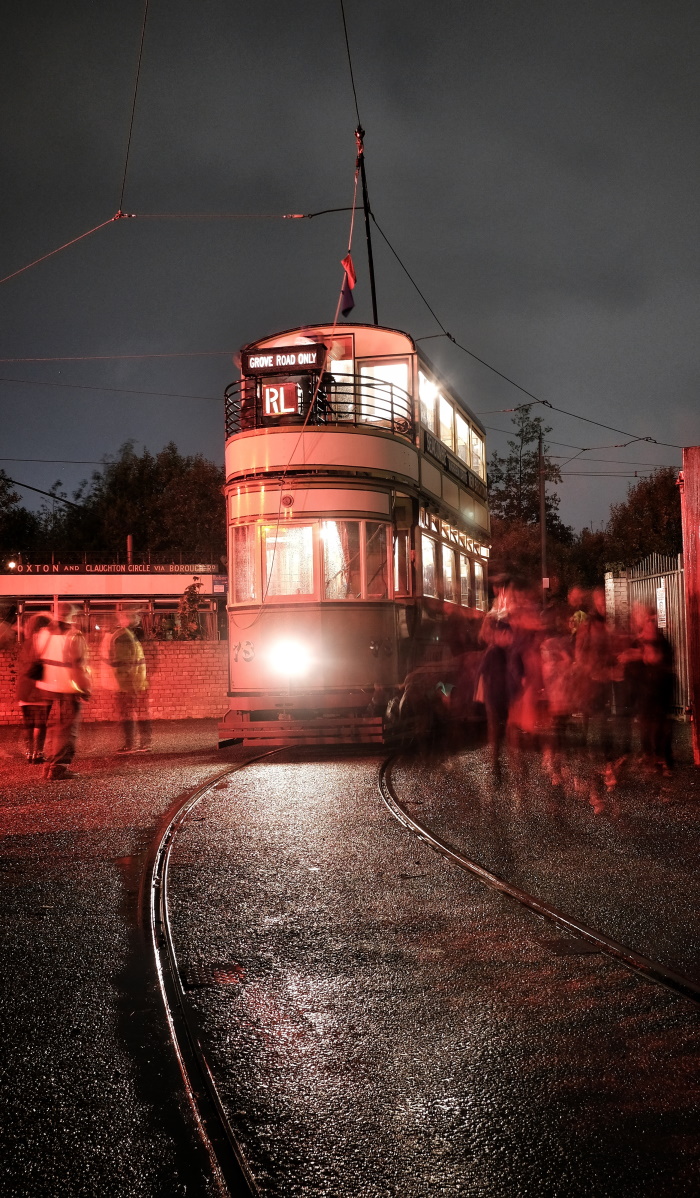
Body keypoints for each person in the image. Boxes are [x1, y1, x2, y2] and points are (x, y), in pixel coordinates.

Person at [35, 603, 91, 781]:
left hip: (45, 687)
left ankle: (49, 766)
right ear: (72, 616)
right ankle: (58, 768)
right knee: (66, 728)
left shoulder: (43, 634)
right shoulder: (73, 635)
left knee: (53, 728)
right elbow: (78, 666)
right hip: (67, 687)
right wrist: (85, 688)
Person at [108, 609, 152, 752]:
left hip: (127, 683)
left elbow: (123, 663)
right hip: (137, 681)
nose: (118, 620)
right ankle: (144, 743)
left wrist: (120, 684)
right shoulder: (132, 635)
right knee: (140, 712)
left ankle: (130, 744)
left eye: (121, 617)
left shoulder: (123, 636)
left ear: (126, 619)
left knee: (127, 714)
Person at [15, 612, 52, 762]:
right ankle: (39, 753)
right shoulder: (47, 642)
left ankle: (29, 753)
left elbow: (21, 664)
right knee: (40, 723)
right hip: (42, 687)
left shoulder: (27, 642)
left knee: (28, 722)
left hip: (24, 686)